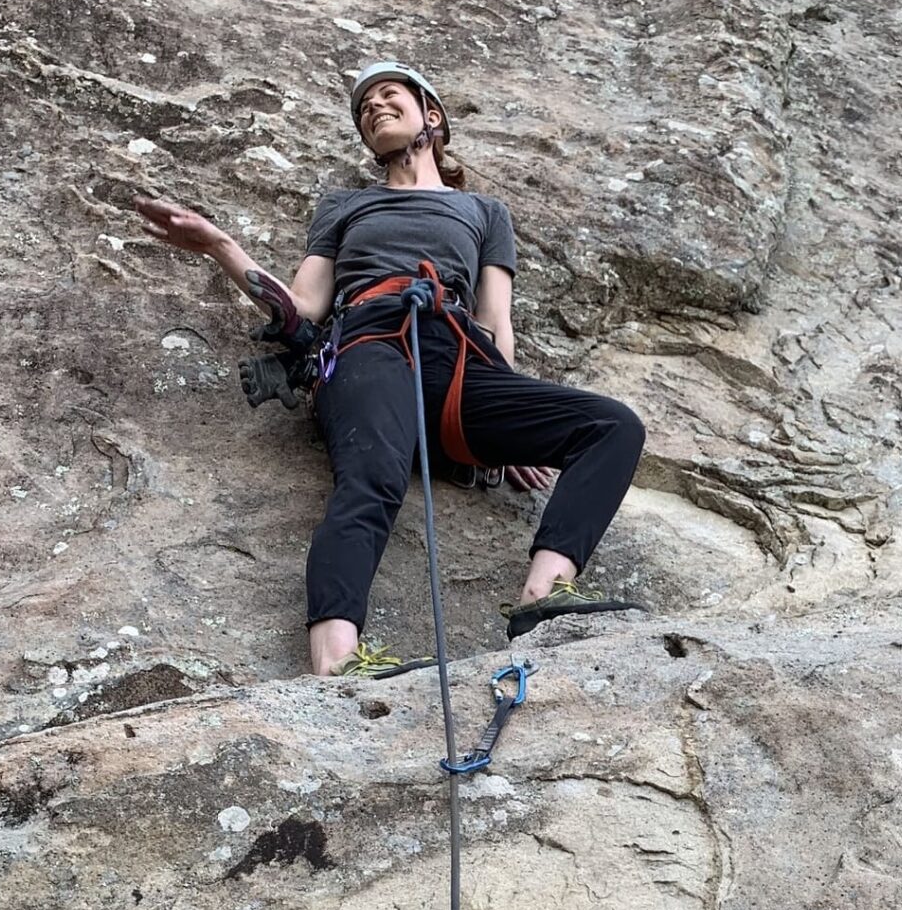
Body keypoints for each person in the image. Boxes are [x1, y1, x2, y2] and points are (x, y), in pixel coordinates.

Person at [135, 63, 645, 674]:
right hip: (369, 346)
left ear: (431, 116)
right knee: (372, 479)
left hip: (458, 359)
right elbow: (302, 309)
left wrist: (514, 415)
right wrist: (224, 248)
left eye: (387, 96)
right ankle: (337, 661)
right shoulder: (347, 207)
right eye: (363, 108)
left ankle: (545, 595)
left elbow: (494, 319)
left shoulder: (483, 211)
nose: (373, 108)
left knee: (612, 426)